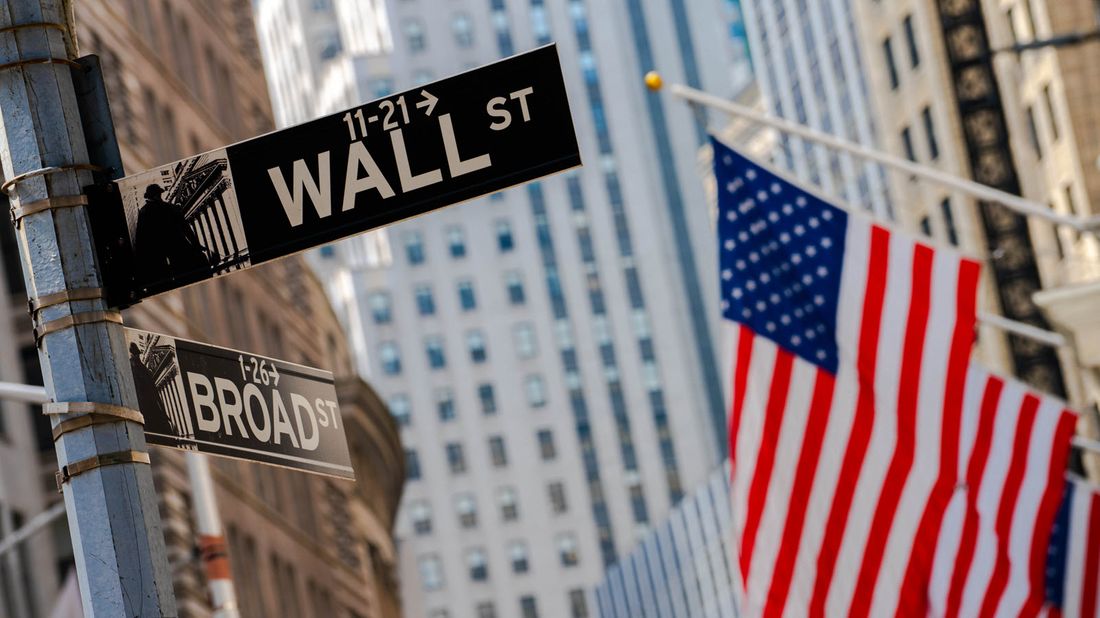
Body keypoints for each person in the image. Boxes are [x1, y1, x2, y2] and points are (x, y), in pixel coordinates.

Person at [133, 183, 211, 289]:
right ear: (157, 195)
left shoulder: (144, 212)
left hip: (162, 254)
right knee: (193, 274)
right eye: (158, 194)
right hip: (179, 248)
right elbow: (186, 229)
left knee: (179, 279)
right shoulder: (171, 207)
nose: (159, 196)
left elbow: (141, 238)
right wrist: (196, 245)